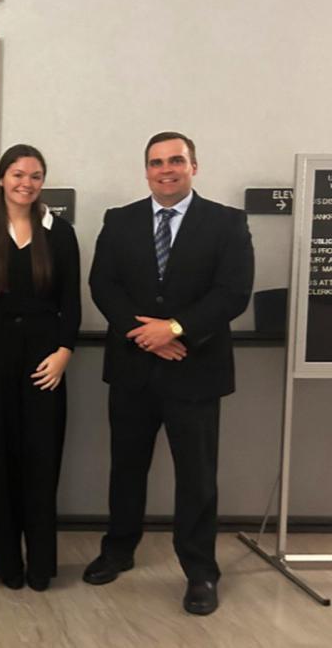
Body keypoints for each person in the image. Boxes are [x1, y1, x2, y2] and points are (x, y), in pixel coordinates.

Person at [84, 131, 254, 616]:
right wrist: (145, 335)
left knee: (197, 476)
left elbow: (233, 292)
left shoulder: (226, 223)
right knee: (126, 468)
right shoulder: (120, 221)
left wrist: (176, 329)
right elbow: (103, 284)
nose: (166, 169)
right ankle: (118, 549)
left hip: (196, 371)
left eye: (176, 160)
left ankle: (200, 570)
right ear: (146, 171)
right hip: (134, 369)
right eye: (157, 162)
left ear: (194, 166)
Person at [0, 144, 81, 593]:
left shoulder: (60, 233)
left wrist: (64, 352)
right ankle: (6, 563)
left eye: (34, 176)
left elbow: (71, 301)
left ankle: (41, 565)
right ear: (0, 179)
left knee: (41, 460)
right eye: (17, 174)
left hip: (44, 360)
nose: (25, 183)